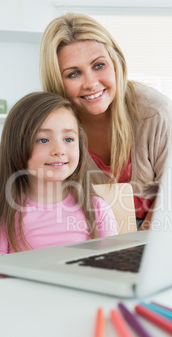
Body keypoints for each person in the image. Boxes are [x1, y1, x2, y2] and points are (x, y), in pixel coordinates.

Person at [40, 13, 172, 230]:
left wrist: (139, 245)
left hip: (158, 226)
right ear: (57, 81)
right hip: (87, 229)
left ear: (116, 62)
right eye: (74, 74)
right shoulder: (49, 127)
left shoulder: (155, 112)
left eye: (98, 65)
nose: (91, 83)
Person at [0, 92, 117, 255]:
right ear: (16, 145)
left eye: (68, 139)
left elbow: (110, 270)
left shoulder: (97, 209)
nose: (59, 150)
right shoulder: (5, 214)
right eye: (43, 140)